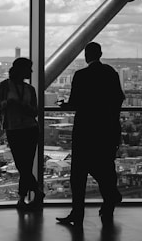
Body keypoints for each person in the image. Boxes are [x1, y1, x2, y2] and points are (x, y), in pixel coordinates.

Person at [56, 42, 125, 227]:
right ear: (101, 54)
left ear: (87, 56)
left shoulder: (81, 75)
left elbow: (75, 103)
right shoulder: (111, 73)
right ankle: (109, 202)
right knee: (105, 166)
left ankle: (78, 213)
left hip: (85, 130)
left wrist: (64, 105)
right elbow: (119, 98)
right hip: (107, 129)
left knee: (78, 174)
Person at [0, 57, 43, 211]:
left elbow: (35, 111)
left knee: (24, 165)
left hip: (28, 129)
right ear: (21, 70)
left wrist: (21, 106)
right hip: (16, 129)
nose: (31, 71)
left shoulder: (29, 89)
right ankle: (35, 192)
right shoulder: (4, 86)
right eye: (29, 68)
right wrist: (6, 104)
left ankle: (22, 198)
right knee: (23, 165)